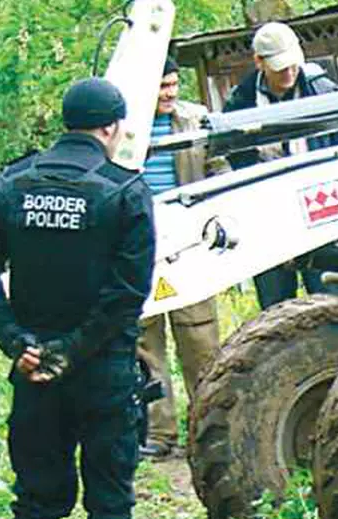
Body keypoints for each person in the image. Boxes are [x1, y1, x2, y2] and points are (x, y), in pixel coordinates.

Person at [0, 78, 155, 519]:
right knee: (110, 498)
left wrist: (19, 344)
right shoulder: (125, 191)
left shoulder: (10, 185)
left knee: (36, 500)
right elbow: (126, 293)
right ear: (111, 128)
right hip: (103, 371)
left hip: (33, 372)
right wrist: (74, 351)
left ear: (65, 123)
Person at [224, 20, 338, 309]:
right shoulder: (240, 102)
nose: (290, 73)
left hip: (323, 204)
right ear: (260, 62)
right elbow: (236, 159)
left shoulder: (323, 91)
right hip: (267, 209)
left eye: (294, 65)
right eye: (281, 67)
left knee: (332, 294)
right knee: (275, 301)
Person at [136, 56, 223, 460]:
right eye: (161, 87)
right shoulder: (123, 126)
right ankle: (158, 432)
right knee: (145, 342)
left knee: (200, 337)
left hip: (188, 243)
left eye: (173, 85)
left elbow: (220, 167)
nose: (169, 93)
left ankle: (207, 428)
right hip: (137, 245)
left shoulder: (196, 119)